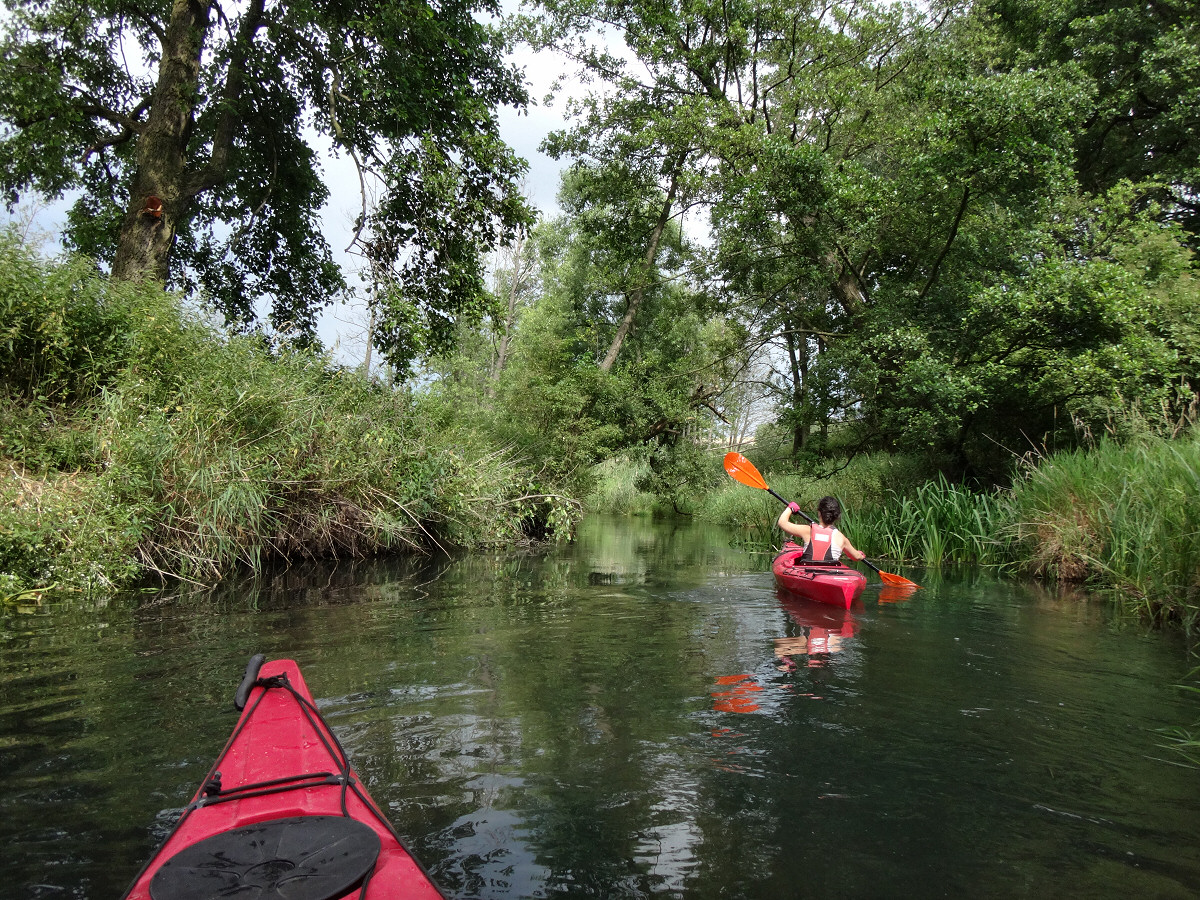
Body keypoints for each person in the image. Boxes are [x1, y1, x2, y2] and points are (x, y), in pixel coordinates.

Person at [777, 496, 865, 562]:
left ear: (819, 513)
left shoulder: (808, 531)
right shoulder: (841, 538)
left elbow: (782, 522)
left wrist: (790, 508)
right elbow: (856, 557)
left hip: (808, 573)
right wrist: (861, 555)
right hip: (830, 574)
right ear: (837, 516)